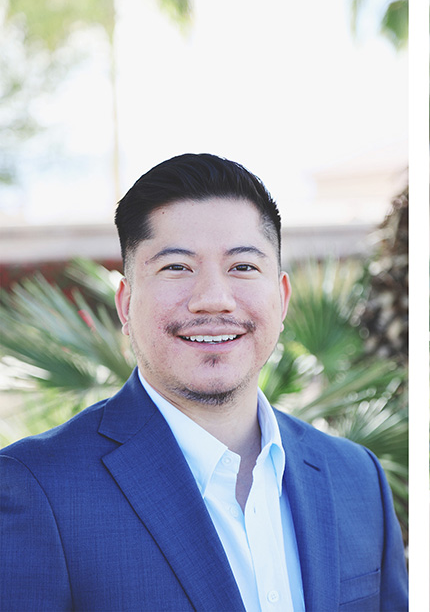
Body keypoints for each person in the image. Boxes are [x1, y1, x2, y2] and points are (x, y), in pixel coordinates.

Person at [0, 153, 408, 611]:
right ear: (125, 305)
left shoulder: (356, 476)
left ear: (282, 297)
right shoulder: (37, 487)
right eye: (177, 267)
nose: (213, 299)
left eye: (243, 267)